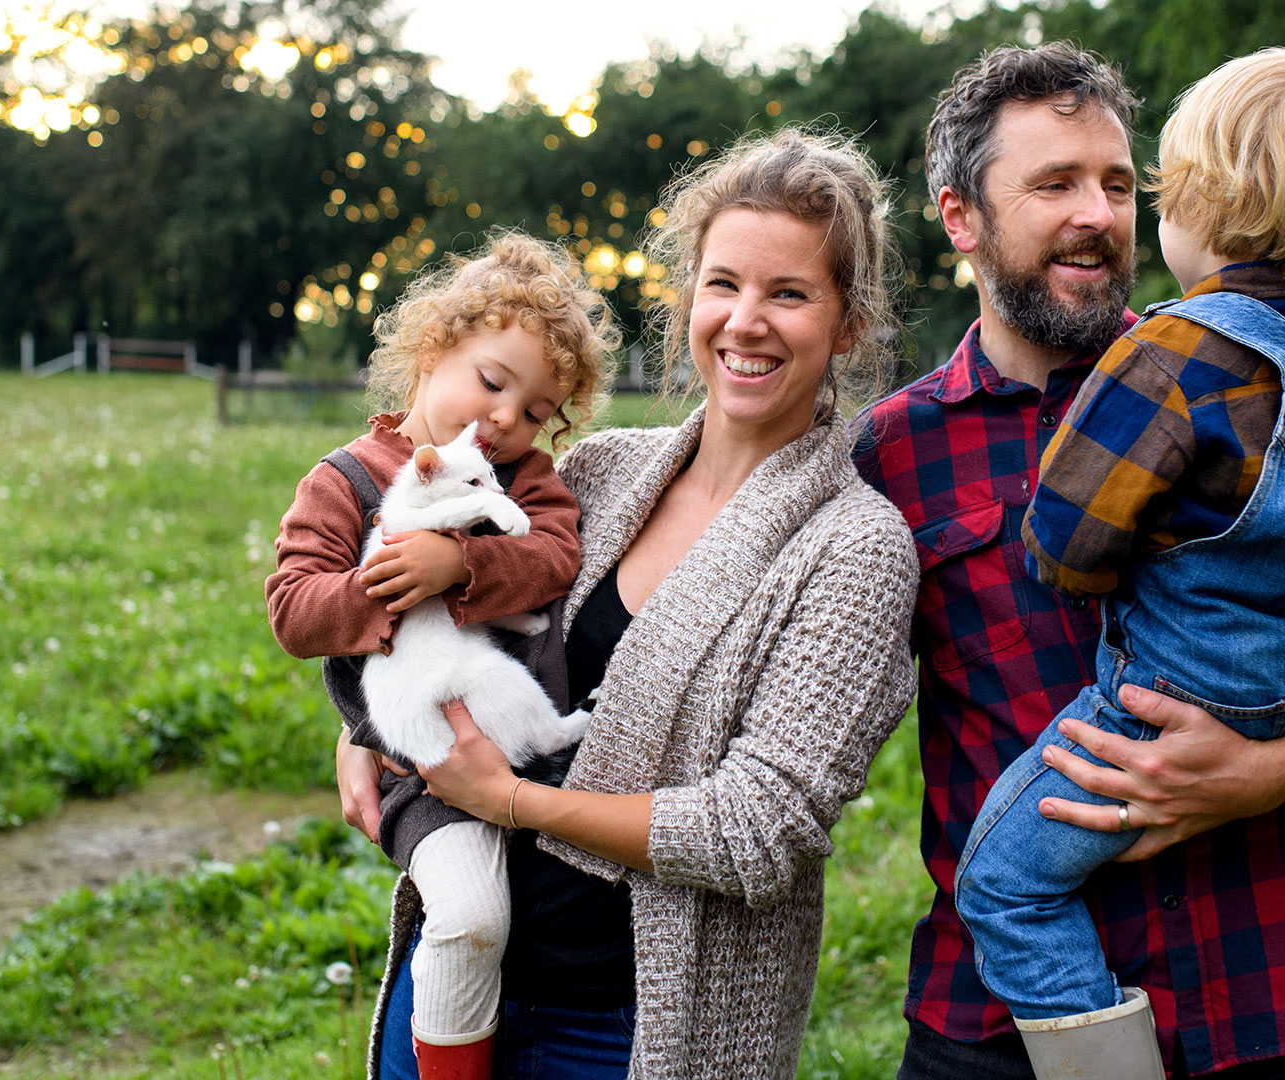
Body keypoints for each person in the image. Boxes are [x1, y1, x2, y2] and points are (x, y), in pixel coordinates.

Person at [853, 43, 1285, 1080]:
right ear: (960, 217)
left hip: (1257, 1000)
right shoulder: (894, 453)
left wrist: (1259, 774)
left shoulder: (1251, 390)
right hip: (1004, 1031)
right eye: (1054, 184)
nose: (1097, 213)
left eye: (1116, 182)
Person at [338, 127, 920, 1080]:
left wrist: (513, 800)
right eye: (724, 283)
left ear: (847, 323)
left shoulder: (854, 549)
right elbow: (459, 609)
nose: (746, 321)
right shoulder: (601, 474)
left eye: (790, 293)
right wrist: (366, 719)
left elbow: (756, 833)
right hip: (463, 979)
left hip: (629, 1027)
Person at [268, 228, 616, 1078]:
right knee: (469, 919)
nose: (506, 419)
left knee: (526, 925)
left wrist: (462, 563)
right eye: (493, 383)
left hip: (531, 749)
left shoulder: (524, 482)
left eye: (537, 411)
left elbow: (554, 557)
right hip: (423, 765)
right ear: (433, 349)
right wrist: (389, 584)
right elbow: (293, 609)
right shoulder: (344, 480)